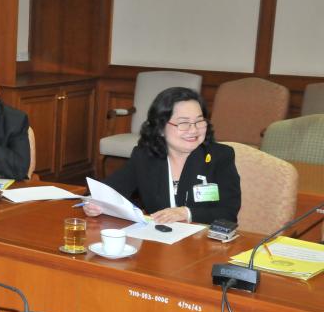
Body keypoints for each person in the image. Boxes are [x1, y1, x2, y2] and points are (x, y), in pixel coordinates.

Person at [85, 87, 240, 224]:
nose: (193, 130)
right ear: (160, 128)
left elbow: (228, 213)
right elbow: (109, 190)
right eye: (183, 123)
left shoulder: (220, 156)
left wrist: (186, 213)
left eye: (199, 121)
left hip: (201, 241)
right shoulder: (145, 156)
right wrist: (94, 203)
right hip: (158, 239)